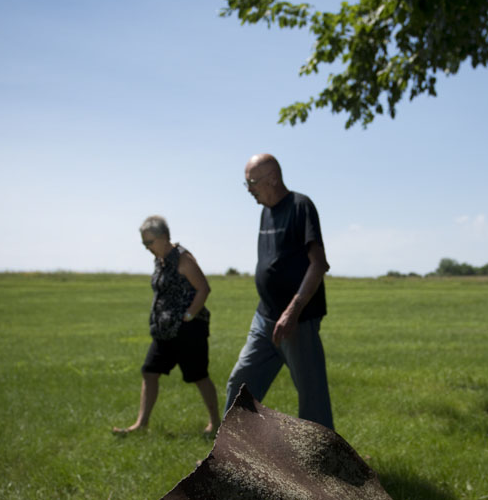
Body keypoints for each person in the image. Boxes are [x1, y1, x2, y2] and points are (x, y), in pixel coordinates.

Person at [224, 153, 334, 429]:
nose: (249, 189)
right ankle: (229, 458)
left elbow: (318, 264)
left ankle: (325, 466)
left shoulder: (300, 206)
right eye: (246, 183)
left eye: (252, 182)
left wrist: (292, 311)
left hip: (298, 321)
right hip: (265, 319)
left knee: (312, 398)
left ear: (272, 178)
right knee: (241, 385)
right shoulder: (265, 211)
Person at [114, 215, 220, 436]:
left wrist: (189, 315)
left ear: (163, 237)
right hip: (164, 331)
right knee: (149, 371)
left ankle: (215, 424)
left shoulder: (183, 259)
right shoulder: (160, 259)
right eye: (144, 243)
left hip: (189, 331)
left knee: (198, 376)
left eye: (149, 242)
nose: (147, 248)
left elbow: (204, 289)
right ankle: (140, 425)